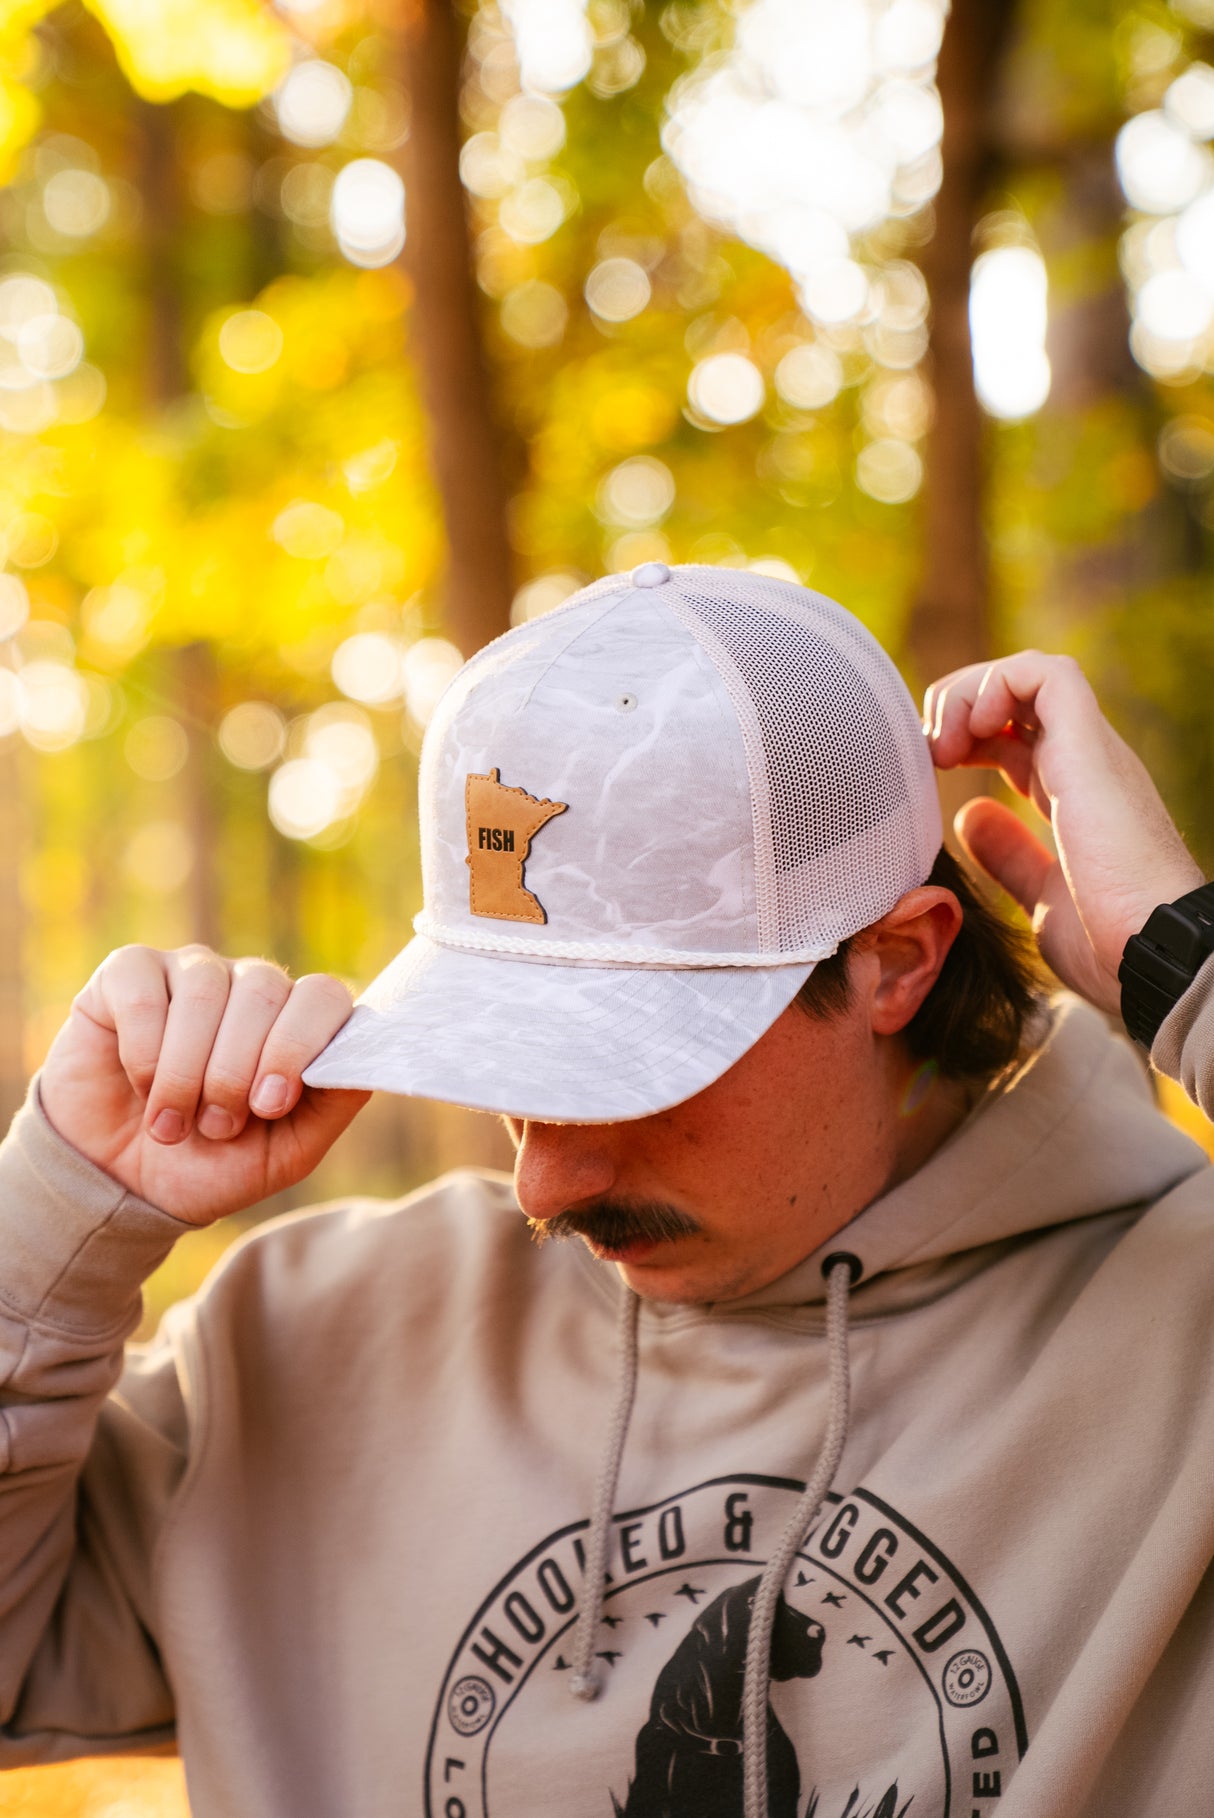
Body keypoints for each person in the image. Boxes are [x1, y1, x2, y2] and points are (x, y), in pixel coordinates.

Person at [1, 562, 1212, 1818]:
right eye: (509, 1063)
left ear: (895, 963)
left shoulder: (1181, 1343)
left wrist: (1186, 964)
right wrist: (56, 1210)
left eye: (631, 1072)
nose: (543, 1178)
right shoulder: (313, 1338)